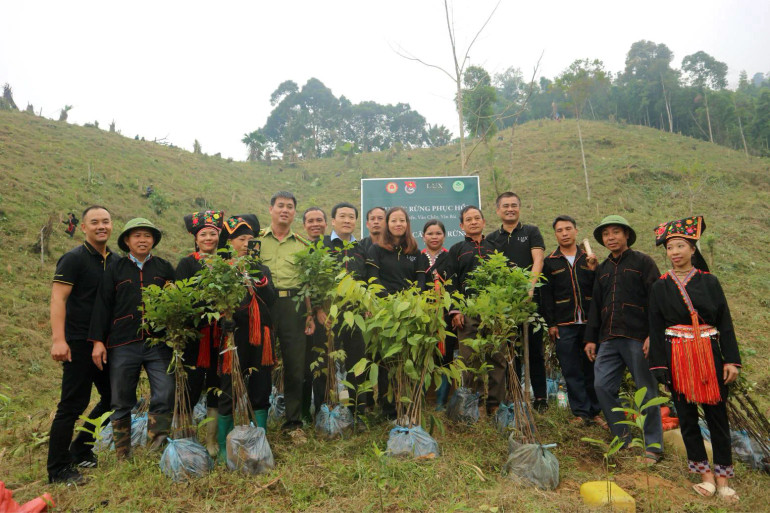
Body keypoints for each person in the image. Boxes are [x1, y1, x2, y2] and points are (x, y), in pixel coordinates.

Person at [648, 216, 741, 501]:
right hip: (677, 356)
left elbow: (725, 322)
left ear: (692, 249)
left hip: (709, 355)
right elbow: (655, 327)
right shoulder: (660, 286)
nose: (674, 252)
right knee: (687, 418)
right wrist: (659, 365)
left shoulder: (710, 282)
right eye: (670, 247)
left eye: (680, 246)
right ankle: (705, 477)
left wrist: (731, 360)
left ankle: (724, 479)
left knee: (717, 417)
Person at [88, 218, 176, 460]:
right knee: (121, 399)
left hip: (158, 343)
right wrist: (98, 341)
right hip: (123, 343)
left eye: (147, 236)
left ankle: (155, 448)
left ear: (153, 240)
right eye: (137, 235)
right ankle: (123, 454)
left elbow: (176, 301)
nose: (142, 240)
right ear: (127, 241)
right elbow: (103, 305)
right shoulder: (115, 268)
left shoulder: (164, 268)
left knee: (165, 391)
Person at [583, 215, 663, 463]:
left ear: (627, 234)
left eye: (616, 232)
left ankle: (653, 446)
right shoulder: (603, 268)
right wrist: (591, 339)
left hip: (637, 337)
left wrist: (652, 335)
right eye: (606, 234)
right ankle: (623, 437)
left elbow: (657, 300)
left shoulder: (643, 262)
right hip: (608, 338)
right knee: (602, 386)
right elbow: (596, 305)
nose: (611, 238)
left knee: (646, 390)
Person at [47, 206, 115, 484]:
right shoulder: (74, 259)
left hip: (106, 343)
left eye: (106, 221)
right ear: (84, 227)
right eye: (94, 222)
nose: (101, 226)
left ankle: (81, 447)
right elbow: (58, 299)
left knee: (115, 398)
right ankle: (58, 468)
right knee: (72, 405)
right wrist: (58, 340)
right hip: (77, 341)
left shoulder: (114, 261)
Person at [217, 214, 277, 461]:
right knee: (229, 387)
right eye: (241, 239)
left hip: (261, 335)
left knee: (261, 386)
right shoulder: (222, 269)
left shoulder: (262, 268)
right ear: (230, 242)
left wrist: (259, 277)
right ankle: (223, 445)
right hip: (235, 336)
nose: (246, 244)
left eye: (250, 239)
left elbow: (271, 299)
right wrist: (224, 320)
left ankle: (260, 441)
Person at [485, 192, 548, 411]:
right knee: (511, 350)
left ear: (519, 208)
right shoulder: (492, 238)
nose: (510, 209)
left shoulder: (531, 231)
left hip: (531, 300)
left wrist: (530, 286)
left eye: (514, 205)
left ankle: (540, 398)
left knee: (535, 351)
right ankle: (515, 396)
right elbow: (492, 269)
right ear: (498, 210)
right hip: (505, 305)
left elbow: (538, 260)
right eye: (505, 206)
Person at [540, 215, 604, 427]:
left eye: (568, 229)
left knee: (592, 368)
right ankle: (581, 412)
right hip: (564, 325)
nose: (564, 233)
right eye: (560, 230)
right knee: (571, 369)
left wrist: (595, 270)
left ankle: (596, 411)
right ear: (555, 234)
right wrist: (551, 323)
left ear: (576, 231)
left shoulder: (588, 259)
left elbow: (600, 290)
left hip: (589, 324)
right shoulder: (550, 262)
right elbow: (546, 296)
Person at [257, 191, 313, 432]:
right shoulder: (256, 241)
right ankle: (257, 419)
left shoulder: (302, 245)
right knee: (260, 363)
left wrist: (309, 314)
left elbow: (307, 284)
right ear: (271, 209)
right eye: (280, 205)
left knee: (295, 365)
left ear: (294, 213)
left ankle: (293, 422)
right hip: (263, 305)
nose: (285, 210)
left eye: (290, 206)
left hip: (294, 306)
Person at [175, 210, 225, 458]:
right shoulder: (187, 264)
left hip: (220, 336)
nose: (208, 238)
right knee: (191, 386)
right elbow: (181, 298)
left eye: (212, 234)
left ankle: (212, 440)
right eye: (203, 234)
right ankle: (186, 438)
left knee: (216, 385)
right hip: (194, 336)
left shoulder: (226, 264)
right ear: (195, 238)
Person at [366, 207, 424, 417]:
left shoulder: (415, 252)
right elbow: (373, 279)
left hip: (409, 313)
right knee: (386, 360)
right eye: (394, 220)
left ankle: (407, 405)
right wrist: (389, 304)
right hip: (385, 312)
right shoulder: (376, 250)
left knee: (407, 359)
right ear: (387, 224)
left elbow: (421, 281)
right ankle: (388, 407)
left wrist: (410, 304)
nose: (398, 224)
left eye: (402, 220)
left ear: (407, 224)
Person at [447, 206, 500, 410]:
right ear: (462, 226)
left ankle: (495, 405)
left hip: (493, 311)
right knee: (469, 359)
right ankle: (470, 407)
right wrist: (456, 310)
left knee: (497, 357)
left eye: (477, 218)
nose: (473, 222)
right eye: (468, 219)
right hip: (468, 312)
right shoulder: (457, 249)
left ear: (484, 222)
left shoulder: (495, 247)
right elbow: (451, 282)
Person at [317, 202, 367, 414]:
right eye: (342, 216)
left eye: (351, 217)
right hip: (330, 314)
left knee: (356, 362)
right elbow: (314, 280)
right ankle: (328, 410)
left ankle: (357, 411)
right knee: (328, 361)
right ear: (333, 221)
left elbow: (366, 280)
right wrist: (318, 309)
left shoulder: (361, 248)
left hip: (355, 314)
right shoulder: (323, 245)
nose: (347, 220)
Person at [420, 219, 453, 410]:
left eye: (438, 233)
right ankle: (422, 400)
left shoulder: (451, 257)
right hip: (423, 314)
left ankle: (441, 402)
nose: (434, 237)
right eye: (430, 233)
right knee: (423, 356)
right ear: (423, 236)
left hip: (445, 315)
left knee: (445, 357)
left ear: (444, 236)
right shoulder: (418, 258)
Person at [301, 206, 328, 415]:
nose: (315, 224)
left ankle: (324, 408)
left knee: (326, 363)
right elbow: (305, 284)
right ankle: (307, 410)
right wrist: (315, 310)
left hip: (330, 316)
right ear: (304, 225)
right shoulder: (301, 250)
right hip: (308, 315)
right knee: (308, 364)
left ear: (326, 223)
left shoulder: (331, 249)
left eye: (319, 220)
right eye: (311, 221)